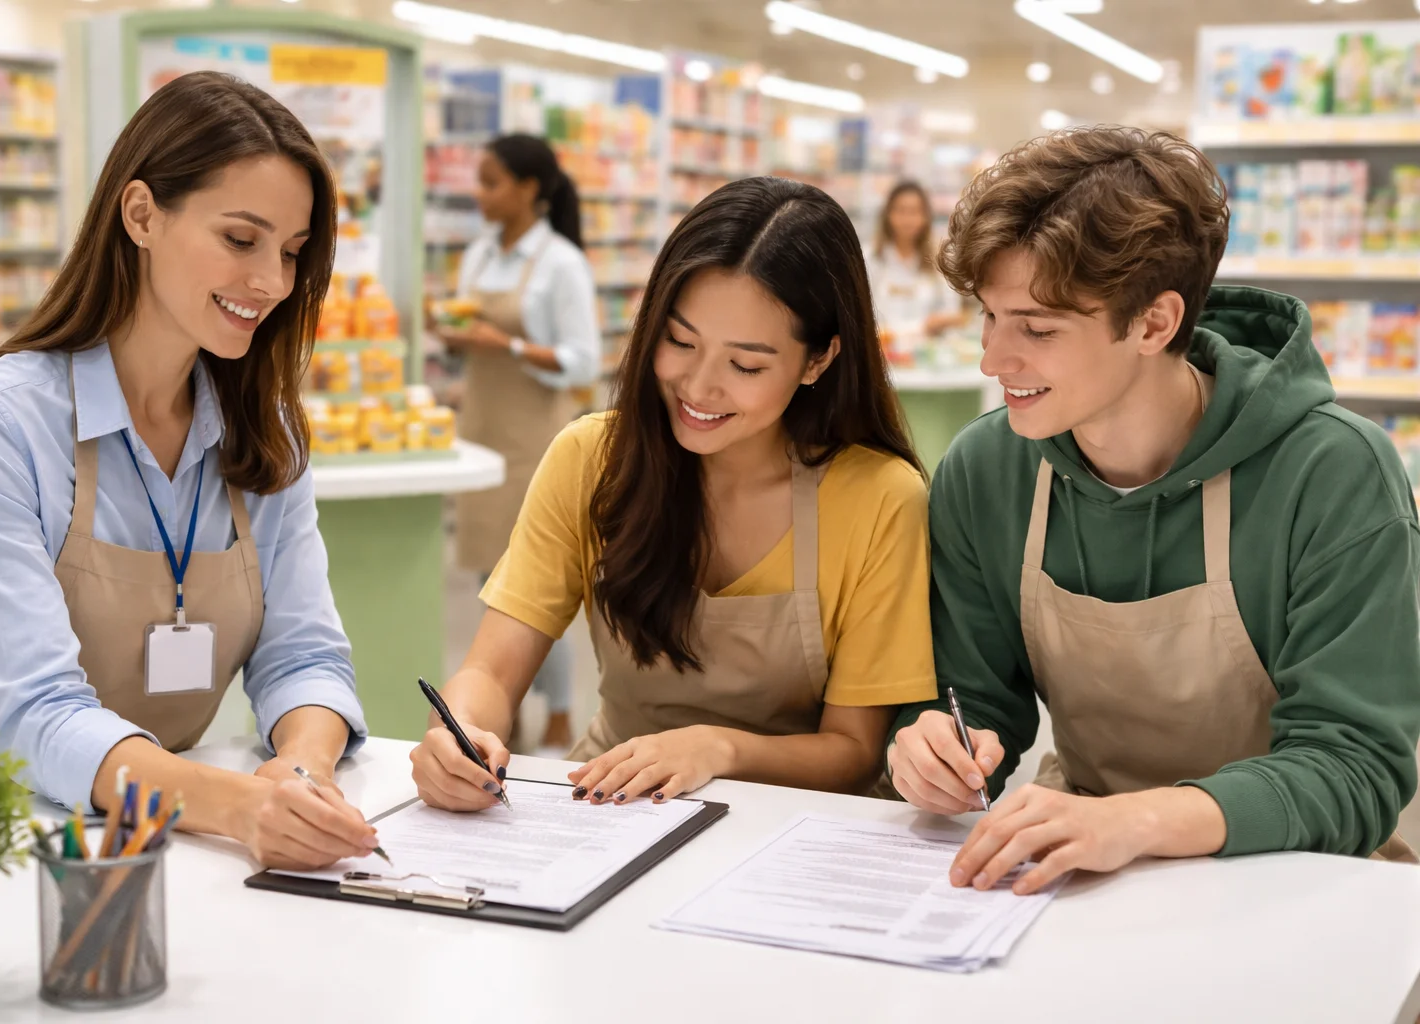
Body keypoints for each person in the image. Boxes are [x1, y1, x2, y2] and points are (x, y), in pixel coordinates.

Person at [887, 126, 1420, 896]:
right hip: (1077, 866)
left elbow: (1356, 768)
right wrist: (930, 744)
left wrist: (1137, 821)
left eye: (1037, 329)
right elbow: (971, 697)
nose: (993, 361)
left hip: (1298, 881)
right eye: (989, 318)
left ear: (1154, 323)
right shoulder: (988, 468)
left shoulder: (1333, 473)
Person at [0, 72, 379, 871]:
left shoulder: (263, 433)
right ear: (140, 214)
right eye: (241, 239)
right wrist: (239, 806)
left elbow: (303, 655)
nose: (271, 282)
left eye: (293, 252)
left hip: (178, 841)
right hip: (6, 850)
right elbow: (35, 712)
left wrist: (301, 775)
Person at [412, 175, 937, 811]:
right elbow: (492, 670)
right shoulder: (589, 459)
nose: (698, 386)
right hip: (608, 805)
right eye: (680, 341)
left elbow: (853, 752)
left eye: (745, 365)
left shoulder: (879, 497)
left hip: (792, 824)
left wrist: (718, 750)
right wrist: (461, 731)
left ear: (818, 360)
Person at [437, 134, 601, 754]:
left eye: (491, 182)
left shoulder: (561, 263)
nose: (479, 194)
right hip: (482, 427)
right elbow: (467, 331)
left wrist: (502, 344)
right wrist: (454, 334)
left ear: (530, 189)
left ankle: (560, 712)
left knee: (537, 580)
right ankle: (508, 708)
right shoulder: (479, 255)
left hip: (537, 437)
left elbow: (583, 359)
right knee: (490, 575)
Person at [865, 180, 963, 344]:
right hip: (880, 350)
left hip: (925, 355)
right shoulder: (870, 258)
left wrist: (941, 321)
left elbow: (953, 312)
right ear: (888, 214)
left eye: (915, 211)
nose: (907, 219)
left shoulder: (939, 261)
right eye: (901, 211)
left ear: (926, 217)